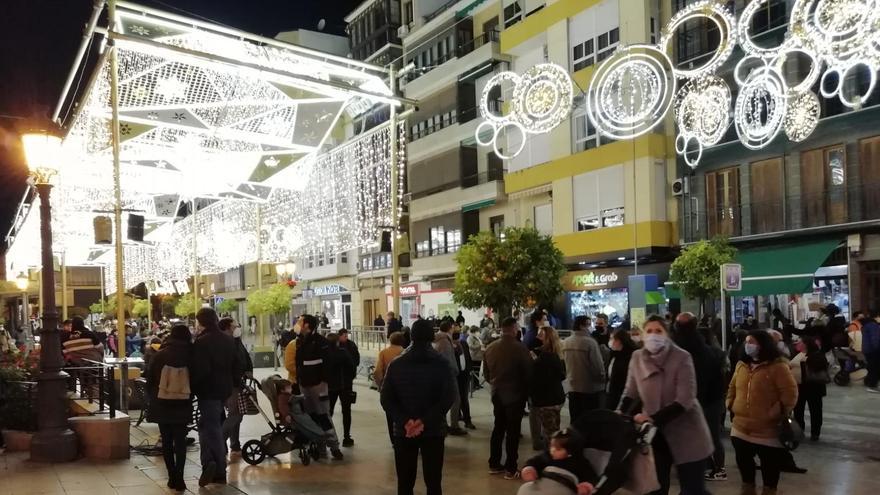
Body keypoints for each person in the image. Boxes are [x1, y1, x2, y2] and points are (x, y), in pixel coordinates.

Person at [618, 315, 713, 495]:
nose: (654, 335)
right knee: (655, 487)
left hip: (687, 431)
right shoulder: (637, 357)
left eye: (659, 331)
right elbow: (630, 391)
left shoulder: (682, 357)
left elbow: (686, 398)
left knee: (693, 489)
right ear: (643, 334)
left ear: (667, 334)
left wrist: (653, 418)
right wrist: (620, 411)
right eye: (649, 331)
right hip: (654, 435)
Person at [381, 319, 456, 495]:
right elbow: (448, 397)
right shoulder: (442, 364)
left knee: (405, 483)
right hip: (434, 430)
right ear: (432, 336)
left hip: (403, 431)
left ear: (411, 337)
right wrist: (424, 421)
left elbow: (386, 399)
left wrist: (406, 422)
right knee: (433, 481)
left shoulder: (396, 364)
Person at [727, 330, 799, 495]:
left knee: (769, 467)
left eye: (752, 342)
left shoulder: (778, 367)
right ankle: (748, 490)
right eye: (747, 342)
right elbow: (732, 387)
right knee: (744, 464)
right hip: (740, 427)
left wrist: (774, 413)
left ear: (763, 345)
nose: (748, 345)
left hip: (768, 430)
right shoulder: (741, 365)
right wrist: (730, 404)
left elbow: (790, 394)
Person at [673, 313, 728, 483]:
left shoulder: (681, 348)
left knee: (704, 436)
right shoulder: (711, 350)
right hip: (709, 400)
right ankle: (712, 467)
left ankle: (714, 468)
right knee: (709, 436)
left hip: (700, 400)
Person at [191, 307, 238, 487]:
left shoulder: (202, 342)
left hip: (208, 390)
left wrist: (194, 387)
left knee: (213, 429)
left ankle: (218, 468)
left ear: (201, 322)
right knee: (207, 425)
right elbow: (236, 364)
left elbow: (201, 370)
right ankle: (207, 462)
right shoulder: (228, 340)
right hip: (224, 390)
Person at [483, 317, 534, 479]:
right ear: (514, 328)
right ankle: (511, 468)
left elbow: (486, 373)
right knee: (513, 432)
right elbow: (528, 374)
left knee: (498, 429)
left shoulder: (490, 348)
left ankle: (494, 463)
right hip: (515, 395)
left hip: (497, 393)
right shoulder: (520, 348)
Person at [146, 324, 193, 492]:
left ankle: (171, 476)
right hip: (183, 403)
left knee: (166, 441)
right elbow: (197, 377)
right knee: (180, 441)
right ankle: (180, 477)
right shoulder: (191, 354)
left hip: (162, 403)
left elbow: (149, 378)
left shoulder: (160, 355)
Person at [296, 314, 344, 460]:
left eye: (300, 321)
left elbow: (328, 364)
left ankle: (334, 446)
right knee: (311, 417)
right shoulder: (301, 341)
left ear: (306, 325)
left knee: (323, 416)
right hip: (305, 386)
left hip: (318, 386)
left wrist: (322, 381)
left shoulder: (320, 342)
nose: (297, 323)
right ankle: (319, 446)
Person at [520, 429, 598, 495]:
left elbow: (591, 477)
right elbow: (534, 462)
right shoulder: (547, 456)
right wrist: (529, 469)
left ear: (570, 452)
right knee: (525, 488)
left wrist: (585, 487)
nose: (552, 450)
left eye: (558, 449)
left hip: (563, 488)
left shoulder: (579, 463)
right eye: (551, 446)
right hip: (541, 485)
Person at [562, 316, 606, 422]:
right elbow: (597, 366)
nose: (590, 327)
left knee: (575, 418)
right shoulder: (590, 343)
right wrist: (602, 380)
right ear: (581, 326)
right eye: (588, 324)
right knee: (590, 419)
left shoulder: (566, 342)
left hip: (572, 386)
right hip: (589, 388)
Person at [529, 326, 566, 450]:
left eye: (540, 335)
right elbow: (562, 375)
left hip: (546, 400)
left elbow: (536, 378)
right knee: (554, 429)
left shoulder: (544, 357)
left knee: (550, 434)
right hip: (557, 397)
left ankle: (553, 458)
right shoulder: (558, 355)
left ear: (547, 339)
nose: (537, 338)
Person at [220, 317, 252, 454]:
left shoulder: (236, 341)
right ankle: (220, 440)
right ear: (227, 328)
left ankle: (235, 443)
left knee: (237, 413)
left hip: (238, 382)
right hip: (230, 384)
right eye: (234, 326)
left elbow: (245, 356)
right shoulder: (223, 343)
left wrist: (249, 371)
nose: (237, 328)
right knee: (236, 414)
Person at [791, 336, 828, 441]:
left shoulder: (817, 355)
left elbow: (820, 368)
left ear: (806, 344)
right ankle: (799, 430)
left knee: (815, 410)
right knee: (798, 410)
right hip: (799, 386)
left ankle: (815, 432)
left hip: (813, 387)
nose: (798, 344)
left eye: (800, 342)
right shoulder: (797, 354)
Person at [434, 321, 467, 435]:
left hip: (440, 375)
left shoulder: (441, 339)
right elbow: (447, 360)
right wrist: (455, 371)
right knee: (455, 399)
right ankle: (454, 426)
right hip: (448, 375)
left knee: (445, 400)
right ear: (450, 328)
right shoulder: (444, 341)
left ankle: (444, 424)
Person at [325, 332, 358, 447]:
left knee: (329, 412)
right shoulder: (343, 353)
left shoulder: (325, 354)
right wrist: (349, 379)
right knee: (346, 411)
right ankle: (346, 437)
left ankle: (328, 436)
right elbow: (352, 367)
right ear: (337, 342)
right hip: (344, 386)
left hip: (329, 387)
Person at [606, 329, 638, 412]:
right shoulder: (614, 354)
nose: (611, 341)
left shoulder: (631, 356)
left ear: (621, 341)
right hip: (612, 393)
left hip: (624, 396)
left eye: (613, 339)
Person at [455, 326, 476, 430]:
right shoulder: (461, 343)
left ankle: (464, 418)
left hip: (460, 374)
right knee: (462, 397)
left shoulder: (459, 343)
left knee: (461, 397)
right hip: (462, 374)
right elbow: (467, 358)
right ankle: (465, 419)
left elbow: (467, 358)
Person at [862, 312, 880, 392]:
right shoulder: (873, 325)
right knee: (875, 368)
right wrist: (877, 348)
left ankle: (870, 383)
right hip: (873, 351)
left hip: (868, 350)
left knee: (872, 367)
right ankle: (872, 386)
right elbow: (875, 339)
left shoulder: (867, 325)